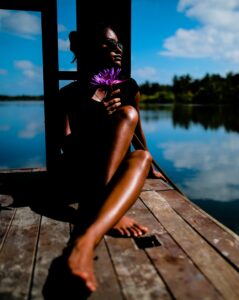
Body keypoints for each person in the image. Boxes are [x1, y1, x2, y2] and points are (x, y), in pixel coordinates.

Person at [57, 24, 164, 292]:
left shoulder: (129, 86)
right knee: (127, 114)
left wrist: (153, 169)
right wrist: (93, 112)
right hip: (81, 171)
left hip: (111, 172)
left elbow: (137, 130)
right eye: (110, 44)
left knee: (142, 156)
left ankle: (85, 239)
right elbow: (65, 145)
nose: (118, 50)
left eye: (120, 44)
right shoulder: (68, 94)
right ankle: (96, 223)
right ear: (91, 48)